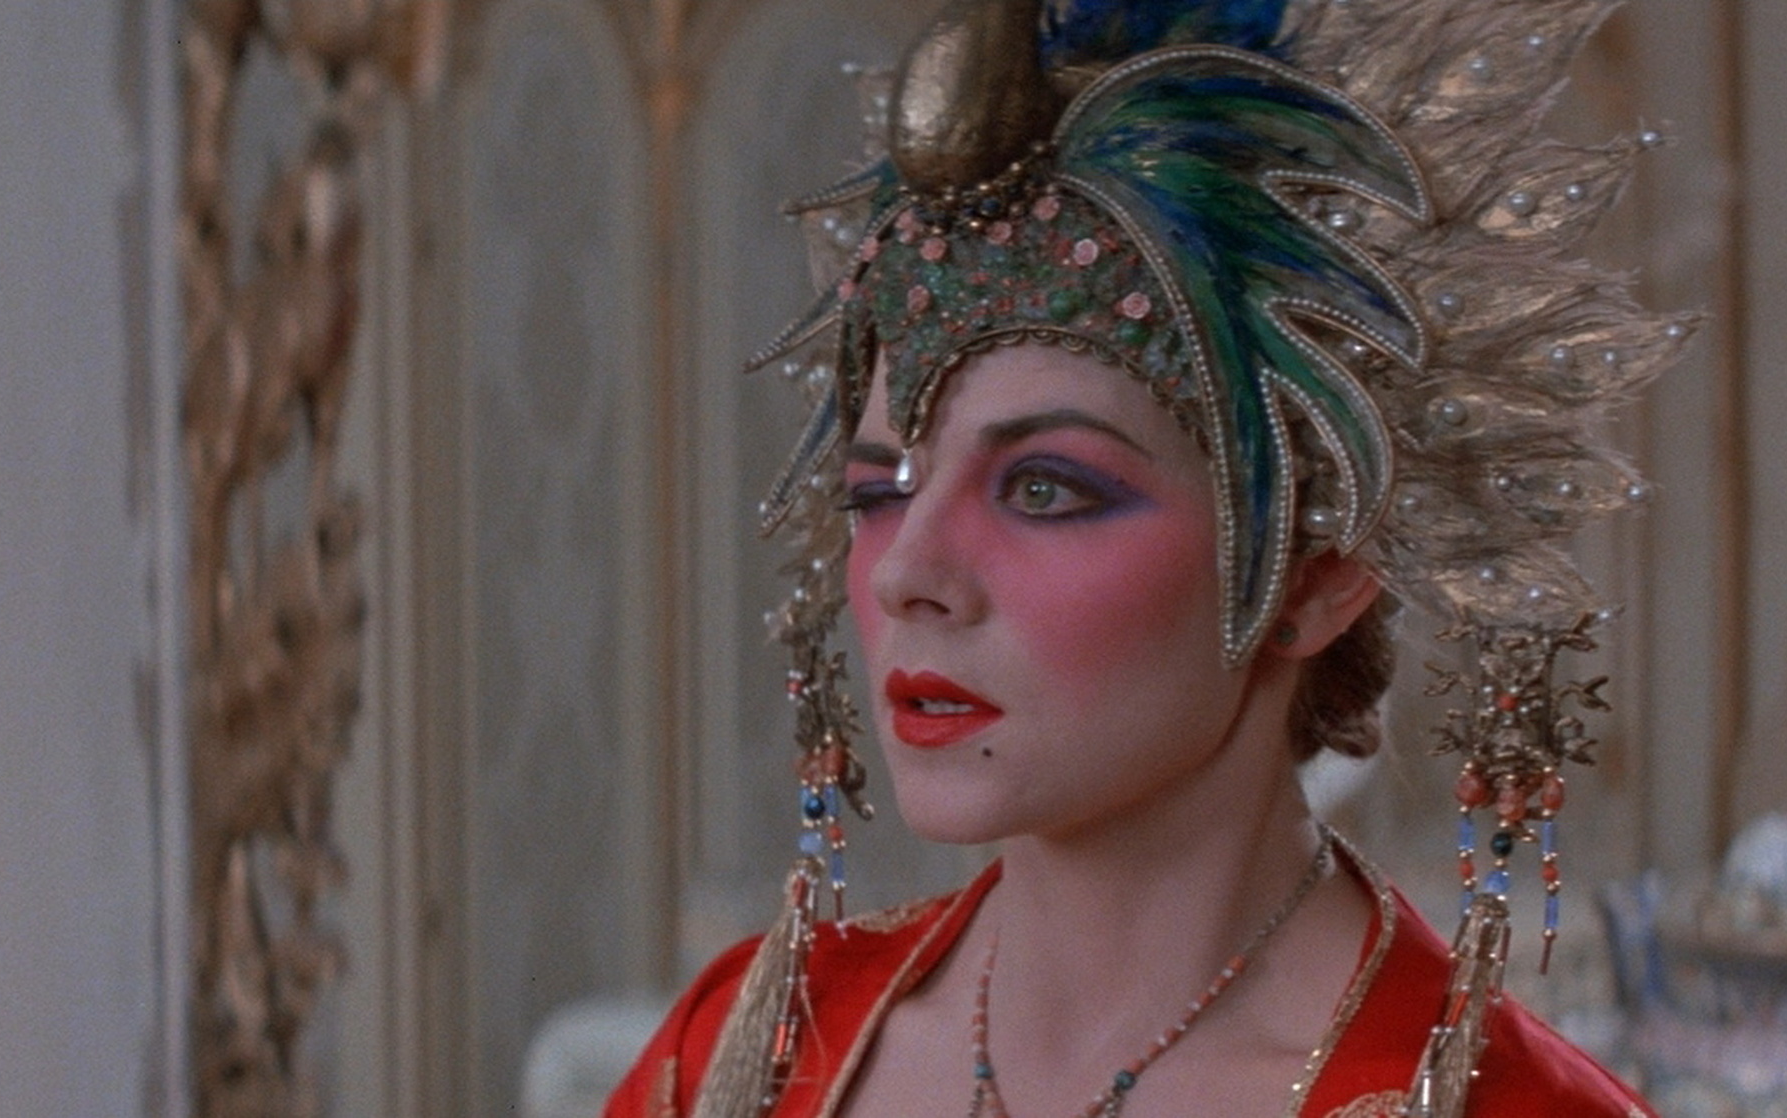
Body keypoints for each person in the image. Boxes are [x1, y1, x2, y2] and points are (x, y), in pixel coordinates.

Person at [607, 1, 1684, 1115]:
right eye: (881, 491)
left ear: (1317, 570)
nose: (903, 573)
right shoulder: (748, 1053)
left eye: (1043, 488)